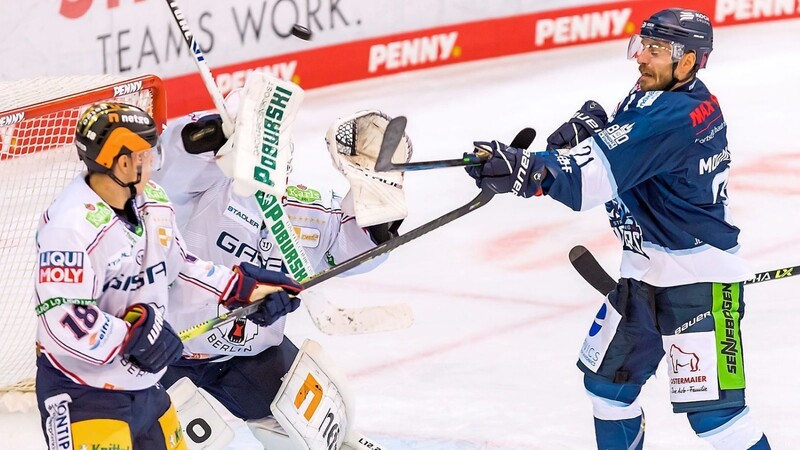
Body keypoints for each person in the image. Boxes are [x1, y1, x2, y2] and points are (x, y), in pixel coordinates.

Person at [464, 8, 770, 450]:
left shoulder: (675, 117)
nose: (641, 57)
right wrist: (598, 130)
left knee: (718, 420)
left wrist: (530, 170)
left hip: (696, 284)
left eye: (657, 50)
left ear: (687, 61)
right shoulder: (660, 94)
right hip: (643, 276)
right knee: (608, 391)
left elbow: (590, 179)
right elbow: (632, 148)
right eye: (643, 45)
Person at [150, 80, 410, 448]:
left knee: (317, 437)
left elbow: (353, 252)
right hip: (162, 350)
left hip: (250, 355)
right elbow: (169, 166)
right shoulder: (191, 194)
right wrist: (209, 134)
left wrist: (377, 210)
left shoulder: (306, 211)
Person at [34, 102, 302, 450]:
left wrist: (241, 288)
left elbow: (181, 268)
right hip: (83, 392)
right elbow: (62, 316)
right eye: (148, 152)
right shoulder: (70, 227)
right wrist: (130, 338)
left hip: (144, 385)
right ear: (123, 162)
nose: (157, 159)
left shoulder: (154, 202)